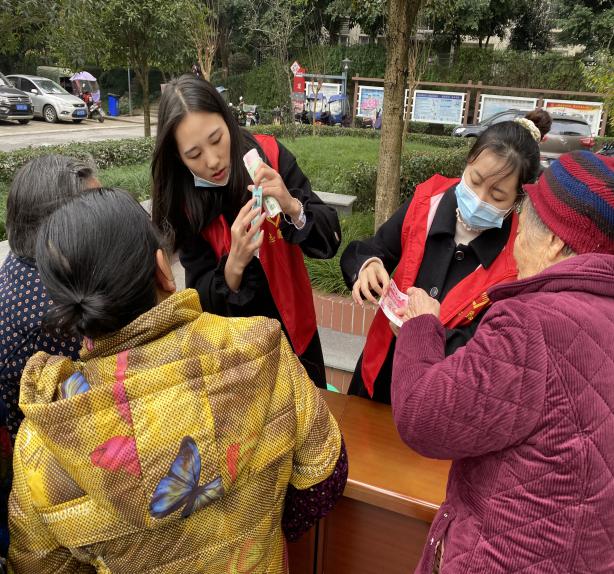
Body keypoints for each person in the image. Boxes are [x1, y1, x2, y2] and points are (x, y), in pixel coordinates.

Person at [8, 188, 347, 573]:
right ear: (162, 269)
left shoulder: (46, 436)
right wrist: (264, 526)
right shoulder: (258, 348)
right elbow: (324, 477)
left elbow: (38, 566)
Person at [390, 151, 614, 573]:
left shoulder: (533, 325)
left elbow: (422, 415)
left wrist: (421, 325)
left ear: (555, 241)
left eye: (525, 218)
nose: (517, 232)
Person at [151, 75, 341, 388]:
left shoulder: (269, 157)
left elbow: (329, 240)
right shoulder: (185, 204)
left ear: (228, 121)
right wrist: (234, 264)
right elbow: (201, 301)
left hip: (298, 337)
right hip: (238, 357)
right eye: (194, 155)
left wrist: (293, 207)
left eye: (216, 139)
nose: (213, 161)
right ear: (178, 156)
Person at [340, 117, 548, 403]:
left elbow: (488, 351)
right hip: (379, 372)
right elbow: (374, 248)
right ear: (468, 162)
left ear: (518, 200)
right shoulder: (428, 202)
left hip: (440, 398)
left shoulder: (517, 258)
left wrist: (423, 333)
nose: (479, 199)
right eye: (474, 181)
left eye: (497, 196)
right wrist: (368, 265)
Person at [1, 154, 100, 440]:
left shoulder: (23, 264)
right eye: (97, 211)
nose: (109, 217)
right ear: (55, 230)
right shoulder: (58, 318)